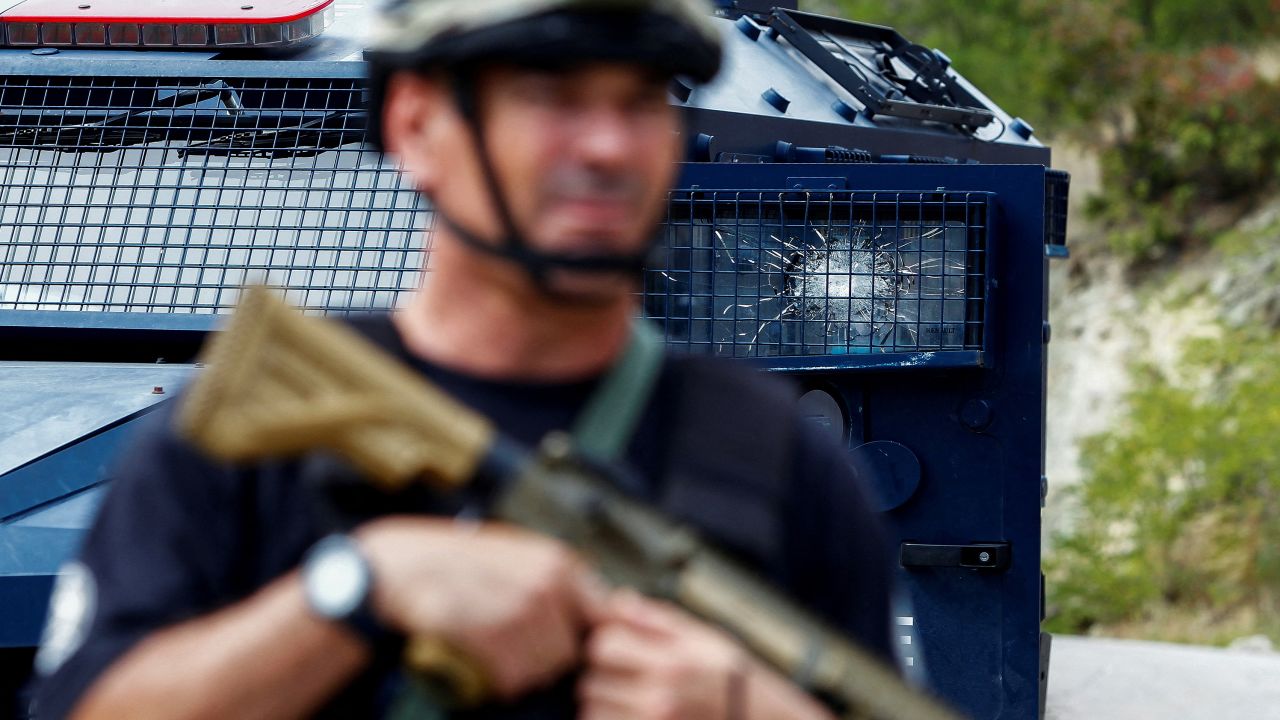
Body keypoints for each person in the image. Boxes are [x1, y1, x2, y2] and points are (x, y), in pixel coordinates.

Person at [31, 1, 898, 718]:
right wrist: (355, 592)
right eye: (550, 97)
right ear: (414, 123)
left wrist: (750, 705)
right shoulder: (247, 434)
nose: (608, 148)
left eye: (641, 102)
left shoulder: (782, 459)